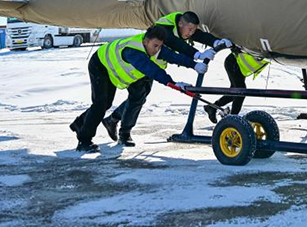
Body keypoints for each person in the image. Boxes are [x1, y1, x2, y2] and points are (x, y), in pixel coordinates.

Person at [97, 10, 232, 145]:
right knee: (137, 97)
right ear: (180, 24)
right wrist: (196, 56)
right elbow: (177, 46)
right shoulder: (164, 29)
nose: (190, 34)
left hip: (153, 68)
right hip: (145, 66)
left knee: (138, 98)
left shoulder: (183, 26)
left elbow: (199, 36)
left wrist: (215, 42)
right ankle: (123, 133)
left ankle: (113, 120)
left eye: (192, 30)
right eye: (189, 30)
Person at [69, 24, 210, 152]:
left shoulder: (154, 46)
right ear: (145, 41)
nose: (157, 50)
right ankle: (84, 141)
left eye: (160, 46)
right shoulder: (133, 52)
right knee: (101, 104)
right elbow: (150, 69)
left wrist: (194, 65)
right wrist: (171, 82)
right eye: (155, 46)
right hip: (101, 65)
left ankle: (81, 124)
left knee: (132, 98)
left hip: (114, 70)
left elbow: (173, 56)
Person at [204, 48, 269, 123]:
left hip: (238, 64)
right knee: (240, 92)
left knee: (235, 92)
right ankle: (233, 120)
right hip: (234, 63)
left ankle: (212, 107)